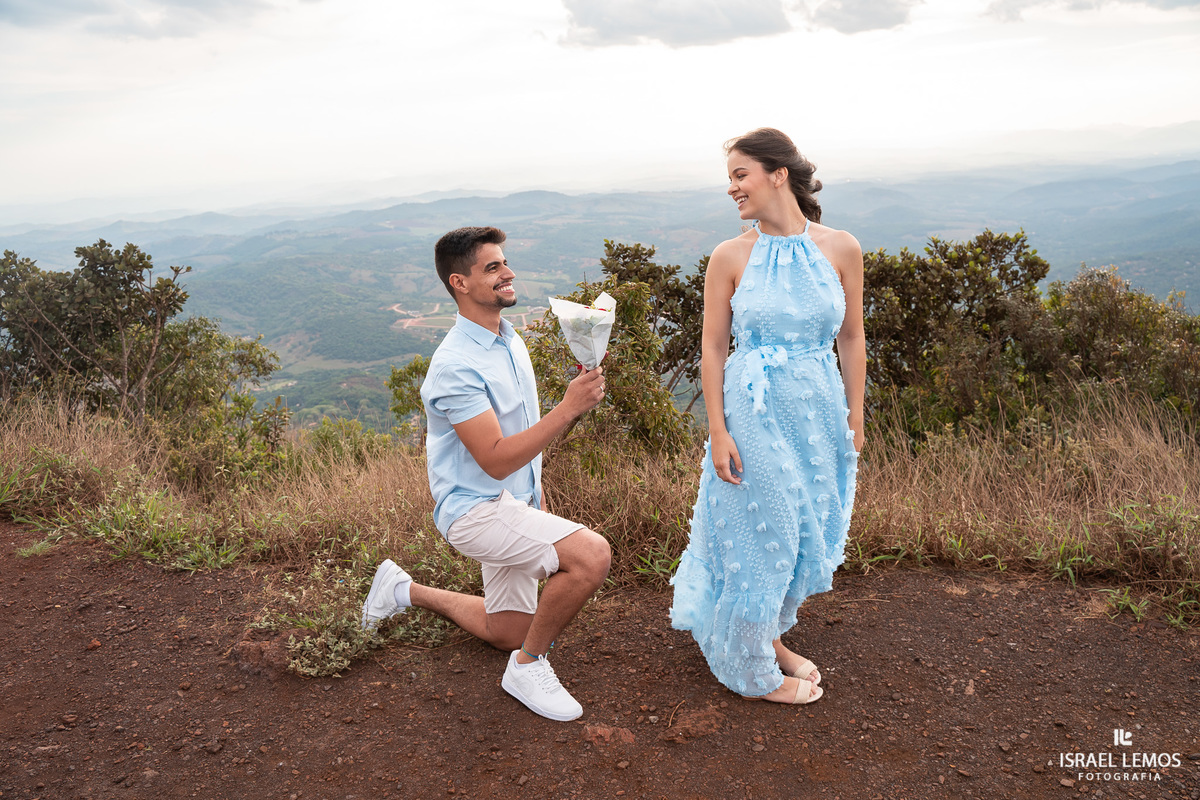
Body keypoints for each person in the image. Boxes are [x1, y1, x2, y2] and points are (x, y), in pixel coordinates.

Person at [361, 226, 611, 722]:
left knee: (508, 629)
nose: (508, 272)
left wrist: (537, 485)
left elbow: (517, 441)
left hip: (514, 502)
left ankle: (400, 590)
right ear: (460, 282)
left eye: (505, 262)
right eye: (493, 267)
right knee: (590, 556)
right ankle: (528, 667)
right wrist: (567, 410)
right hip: (476, 513)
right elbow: (494, 458)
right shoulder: (455, 365)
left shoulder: (508, 338)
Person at [670, 128, 865, 705]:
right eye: (729, 177)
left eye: (740, 174)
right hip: (753, 408)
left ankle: (767, 638)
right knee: (767, 531)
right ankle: (751, 672)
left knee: (806, 530)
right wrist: (717, 429)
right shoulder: (730, 256)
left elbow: (852, 337)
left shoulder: (842, 247)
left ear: (778, 173)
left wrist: (856, 415)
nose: (731, 188)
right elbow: (710, 348)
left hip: (819, 408)